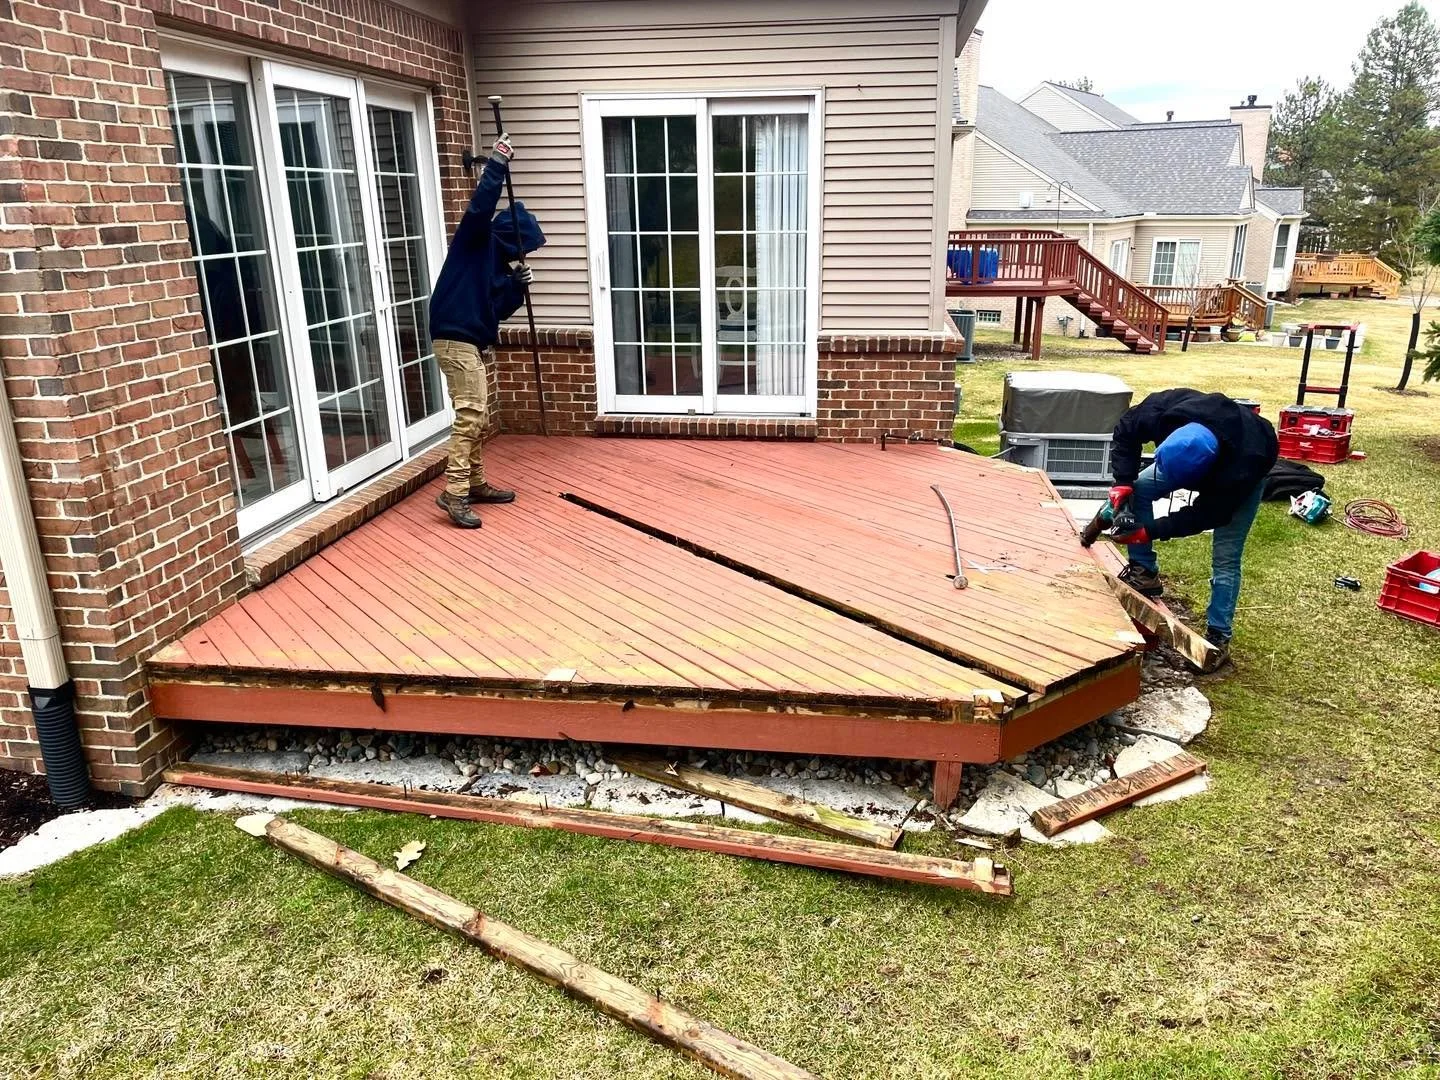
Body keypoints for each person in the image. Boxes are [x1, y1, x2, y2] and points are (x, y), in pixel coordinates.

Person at [1106, 388, 1279, 668]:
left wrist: (1149, 531)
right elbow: (1126, 430)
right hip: (1200, 449)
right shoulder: (1164, 411)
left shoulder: (1243, 467)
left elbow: (1207, 515)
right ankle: (1144, 571)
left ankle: (1218, 639)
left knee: (1226, 557)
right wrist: (1123, 481)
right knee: (1139, 488)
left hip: (1243, 471)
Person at [428, 132, 546, 528]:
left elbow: (496, 311)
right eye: (524, 247)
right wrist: (496, 165)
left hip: (470, 341)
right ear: (514, 238)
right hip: (455, 339)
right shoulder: (474, 241)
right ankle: (455, 492)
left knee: (476, 415)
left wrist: (517, 286)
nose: (523, 254)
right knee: (471, 415)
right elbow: (480, 208)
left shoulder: (498, 264)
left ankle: (475, 482)